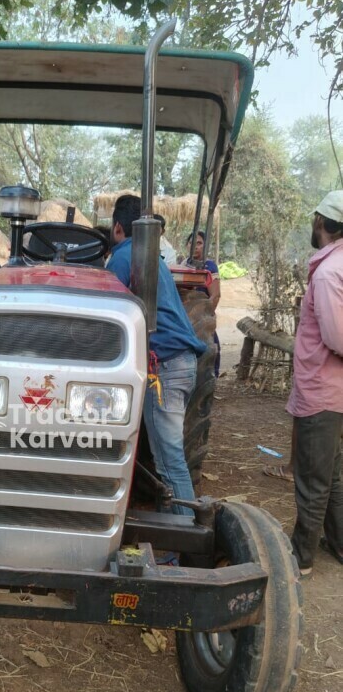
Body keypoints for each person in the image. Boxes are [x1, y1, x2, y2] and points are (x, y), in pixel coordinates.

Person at [107, 195, 206, 515]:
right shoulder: (151, 257)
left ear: (118, 227)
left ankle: (185, 536)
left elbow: (110, 320)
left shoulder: (122, 259)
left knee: (169, 459)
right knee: (167, 457)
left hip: (165, 366)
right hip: (181, 361)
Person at [286, 190, 343, 577]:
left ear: (321, 222)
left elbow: (336, 337)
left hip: (321, 393)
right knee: (334, 474)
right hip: (333, 392)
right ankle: (338, 544)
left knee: (312, 478)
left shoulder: (327, 273)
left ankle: (301, 558)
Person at [186, 229, 221, 375]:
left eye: (199, 243)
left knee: (210, 348)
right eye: (191, 243)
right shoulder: (183, 264)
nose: (195, 246)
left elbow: (216, 295)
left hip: (201, 318)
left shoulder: (209, 267)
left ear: (205, 246)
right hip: (186, 317)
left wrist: (205, 318)